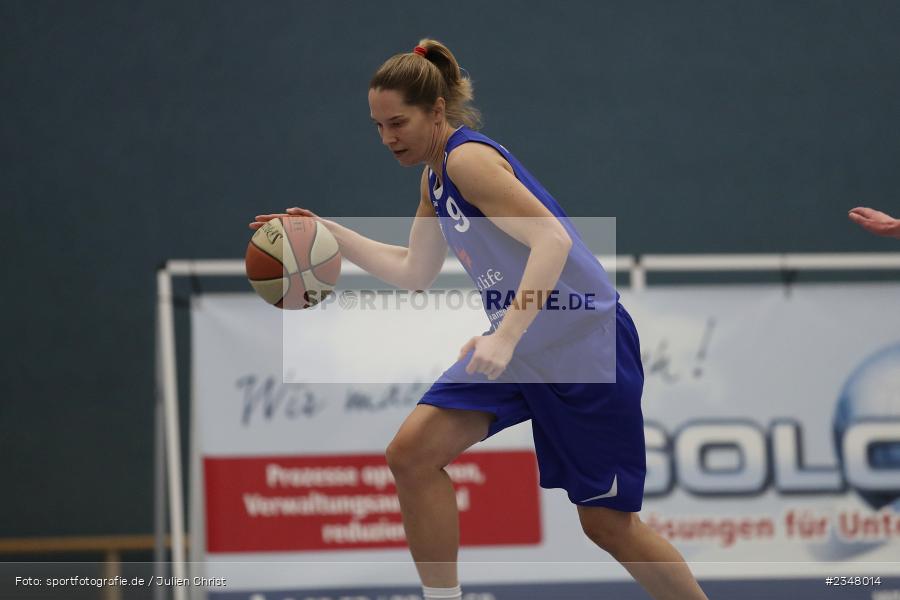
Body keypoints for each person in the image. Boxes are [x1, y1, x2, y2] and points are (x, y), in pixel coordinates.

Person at [251, 39, 707, 600]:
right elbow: (414, 270)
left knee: (607, 526)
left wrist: (506, 335)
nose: (388, 137)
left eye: (398, 123)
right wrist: (330, 234)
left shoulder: (467, 161)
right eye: (378, 127)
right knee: (412, 456)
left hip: (585, 345)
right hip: (522, 346)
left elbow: (552, 240)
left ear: (436, 111)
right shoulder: (434, 179)